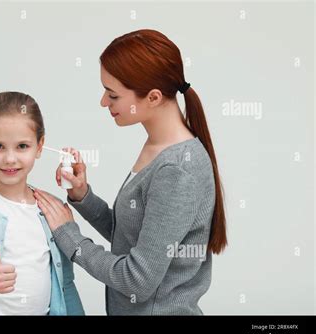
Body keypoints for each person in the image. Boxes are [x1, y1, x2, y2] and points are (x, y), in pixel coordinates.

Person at [34, 29, 227, 315]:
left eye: (112, 94)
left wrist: (69, 237)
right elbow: (131, 238)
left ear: (152, 97)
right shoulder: (157, 146)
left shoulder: (177, 169)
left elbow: (138, 279)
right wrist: (83, 196)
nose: (103, 102)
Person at [0, 91, 84, 315]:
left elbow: (65, 284)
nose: (10, 158)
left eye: (22, 146)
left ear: (40, 146)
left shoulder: (52, 210)